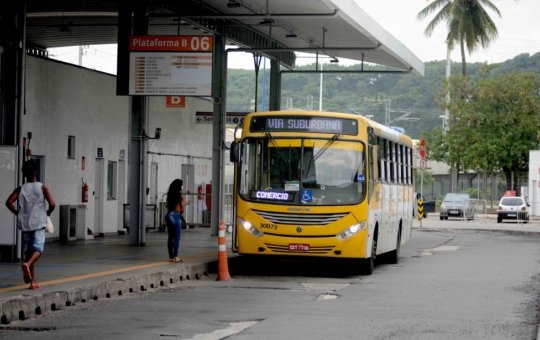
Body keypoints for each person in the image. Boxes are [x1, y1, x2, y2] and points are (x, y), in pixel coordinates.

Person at [5, 160, 56, 289]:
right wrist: (47, 214)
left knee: (29, 252)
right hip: (38, 222)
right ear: (36, 172)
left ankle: (33, 282)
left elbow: (8, 202)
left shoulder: (20, 189)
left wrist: (18, 213)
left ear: (25, 174)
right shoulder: (42, 187)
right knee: (38, 249)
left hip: (26, 224)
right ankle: (27, 265)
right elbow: (53, 204)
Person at [165, 179, 190, 263]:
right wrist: (186, 203)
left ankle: (171, 257)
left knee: (170, 237)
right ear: (179, 186)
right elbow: (180, 208)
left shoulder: (170, 194)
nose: (182, 187)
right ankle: (176, 256)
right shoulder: (179, 196)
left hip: (168, 216)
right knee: (177, 237)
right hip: (175, 216)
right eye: (181, 185)